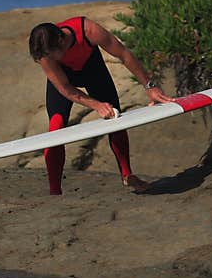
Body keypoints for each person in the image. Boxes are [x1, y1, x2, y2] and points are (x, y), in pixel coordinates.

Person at [28, 16, 174, 195]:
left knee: (115, 117)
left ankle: (128, 175)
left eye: (50, 56)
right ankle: (54, 191)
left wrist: (149, 86)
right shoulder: (46, 52)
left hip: (92, 70)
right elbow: (65, 88)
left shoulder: (88, 30)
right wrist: (96, 105)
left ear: (60, 41)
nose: (47, 60)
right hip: (65, 80)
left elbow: (123, 54)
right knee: (56, 127)